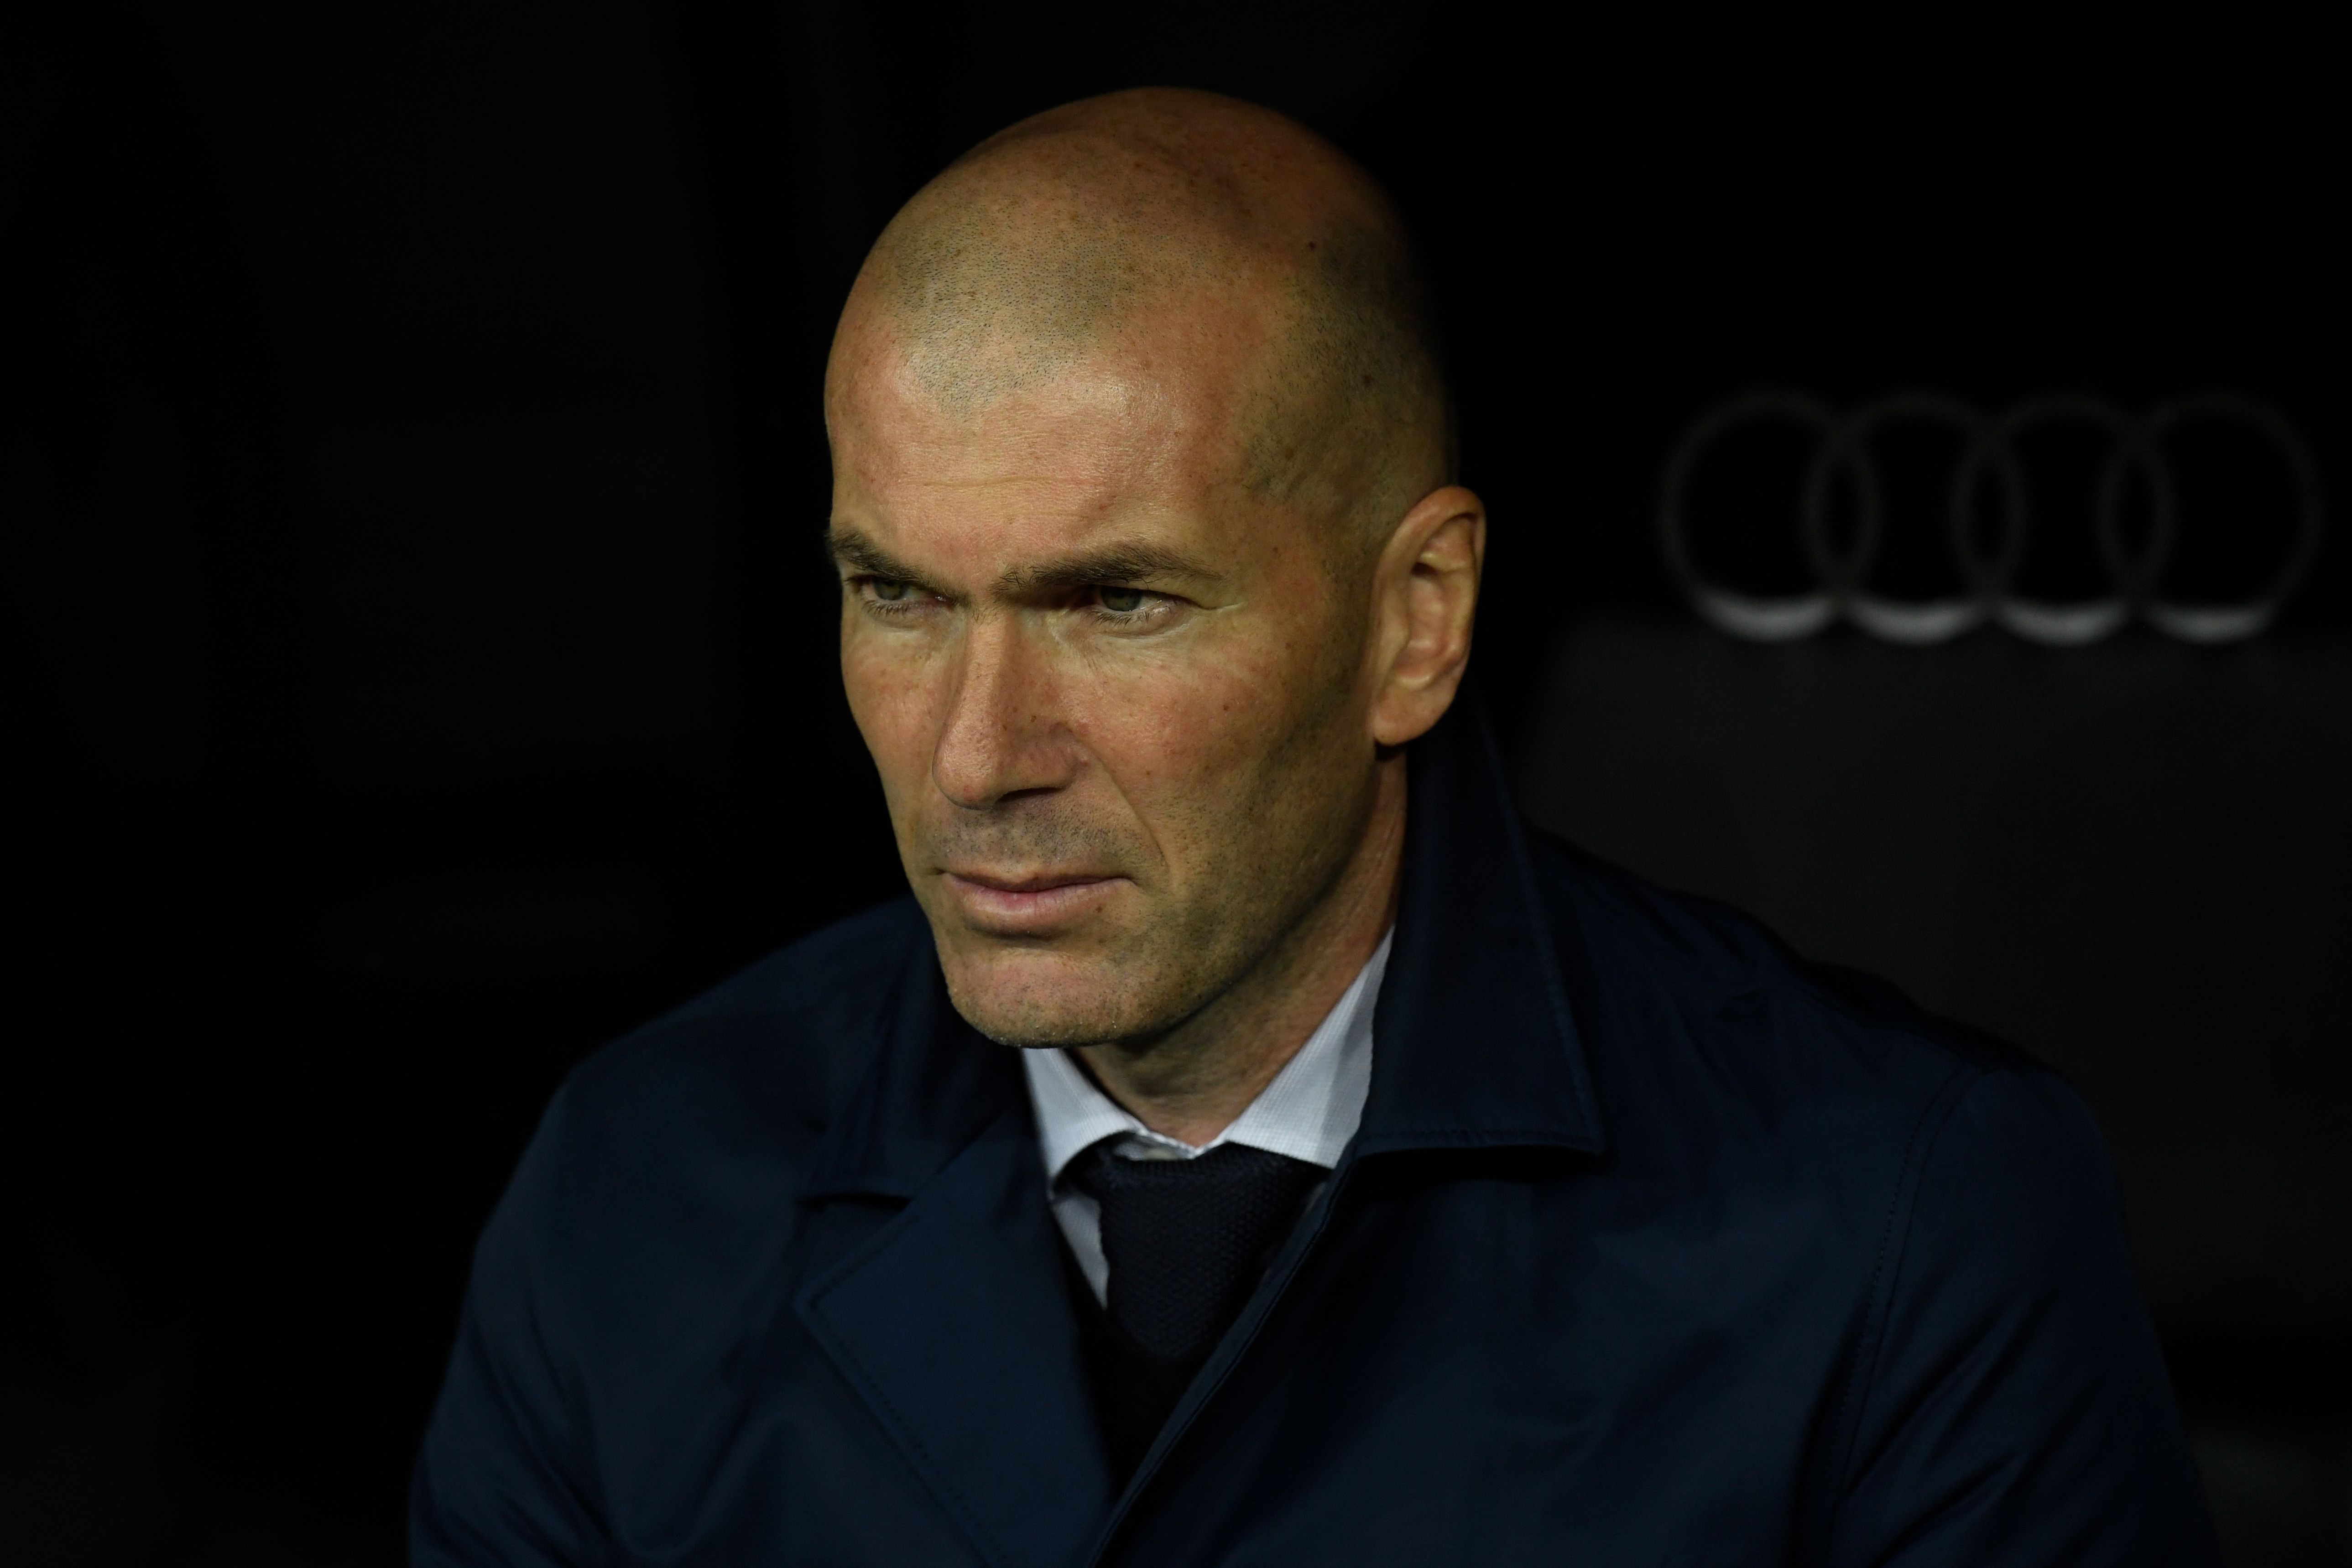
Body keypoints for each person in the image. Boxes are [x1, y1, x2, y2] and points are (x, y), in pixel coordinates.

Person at [412, 89, 2216, 1566]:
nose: (974, 753)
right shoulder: (637, 1195)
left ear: (1412, 618)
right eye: (894, 591)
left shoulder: (1900, 1227)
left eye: (1112, 604)